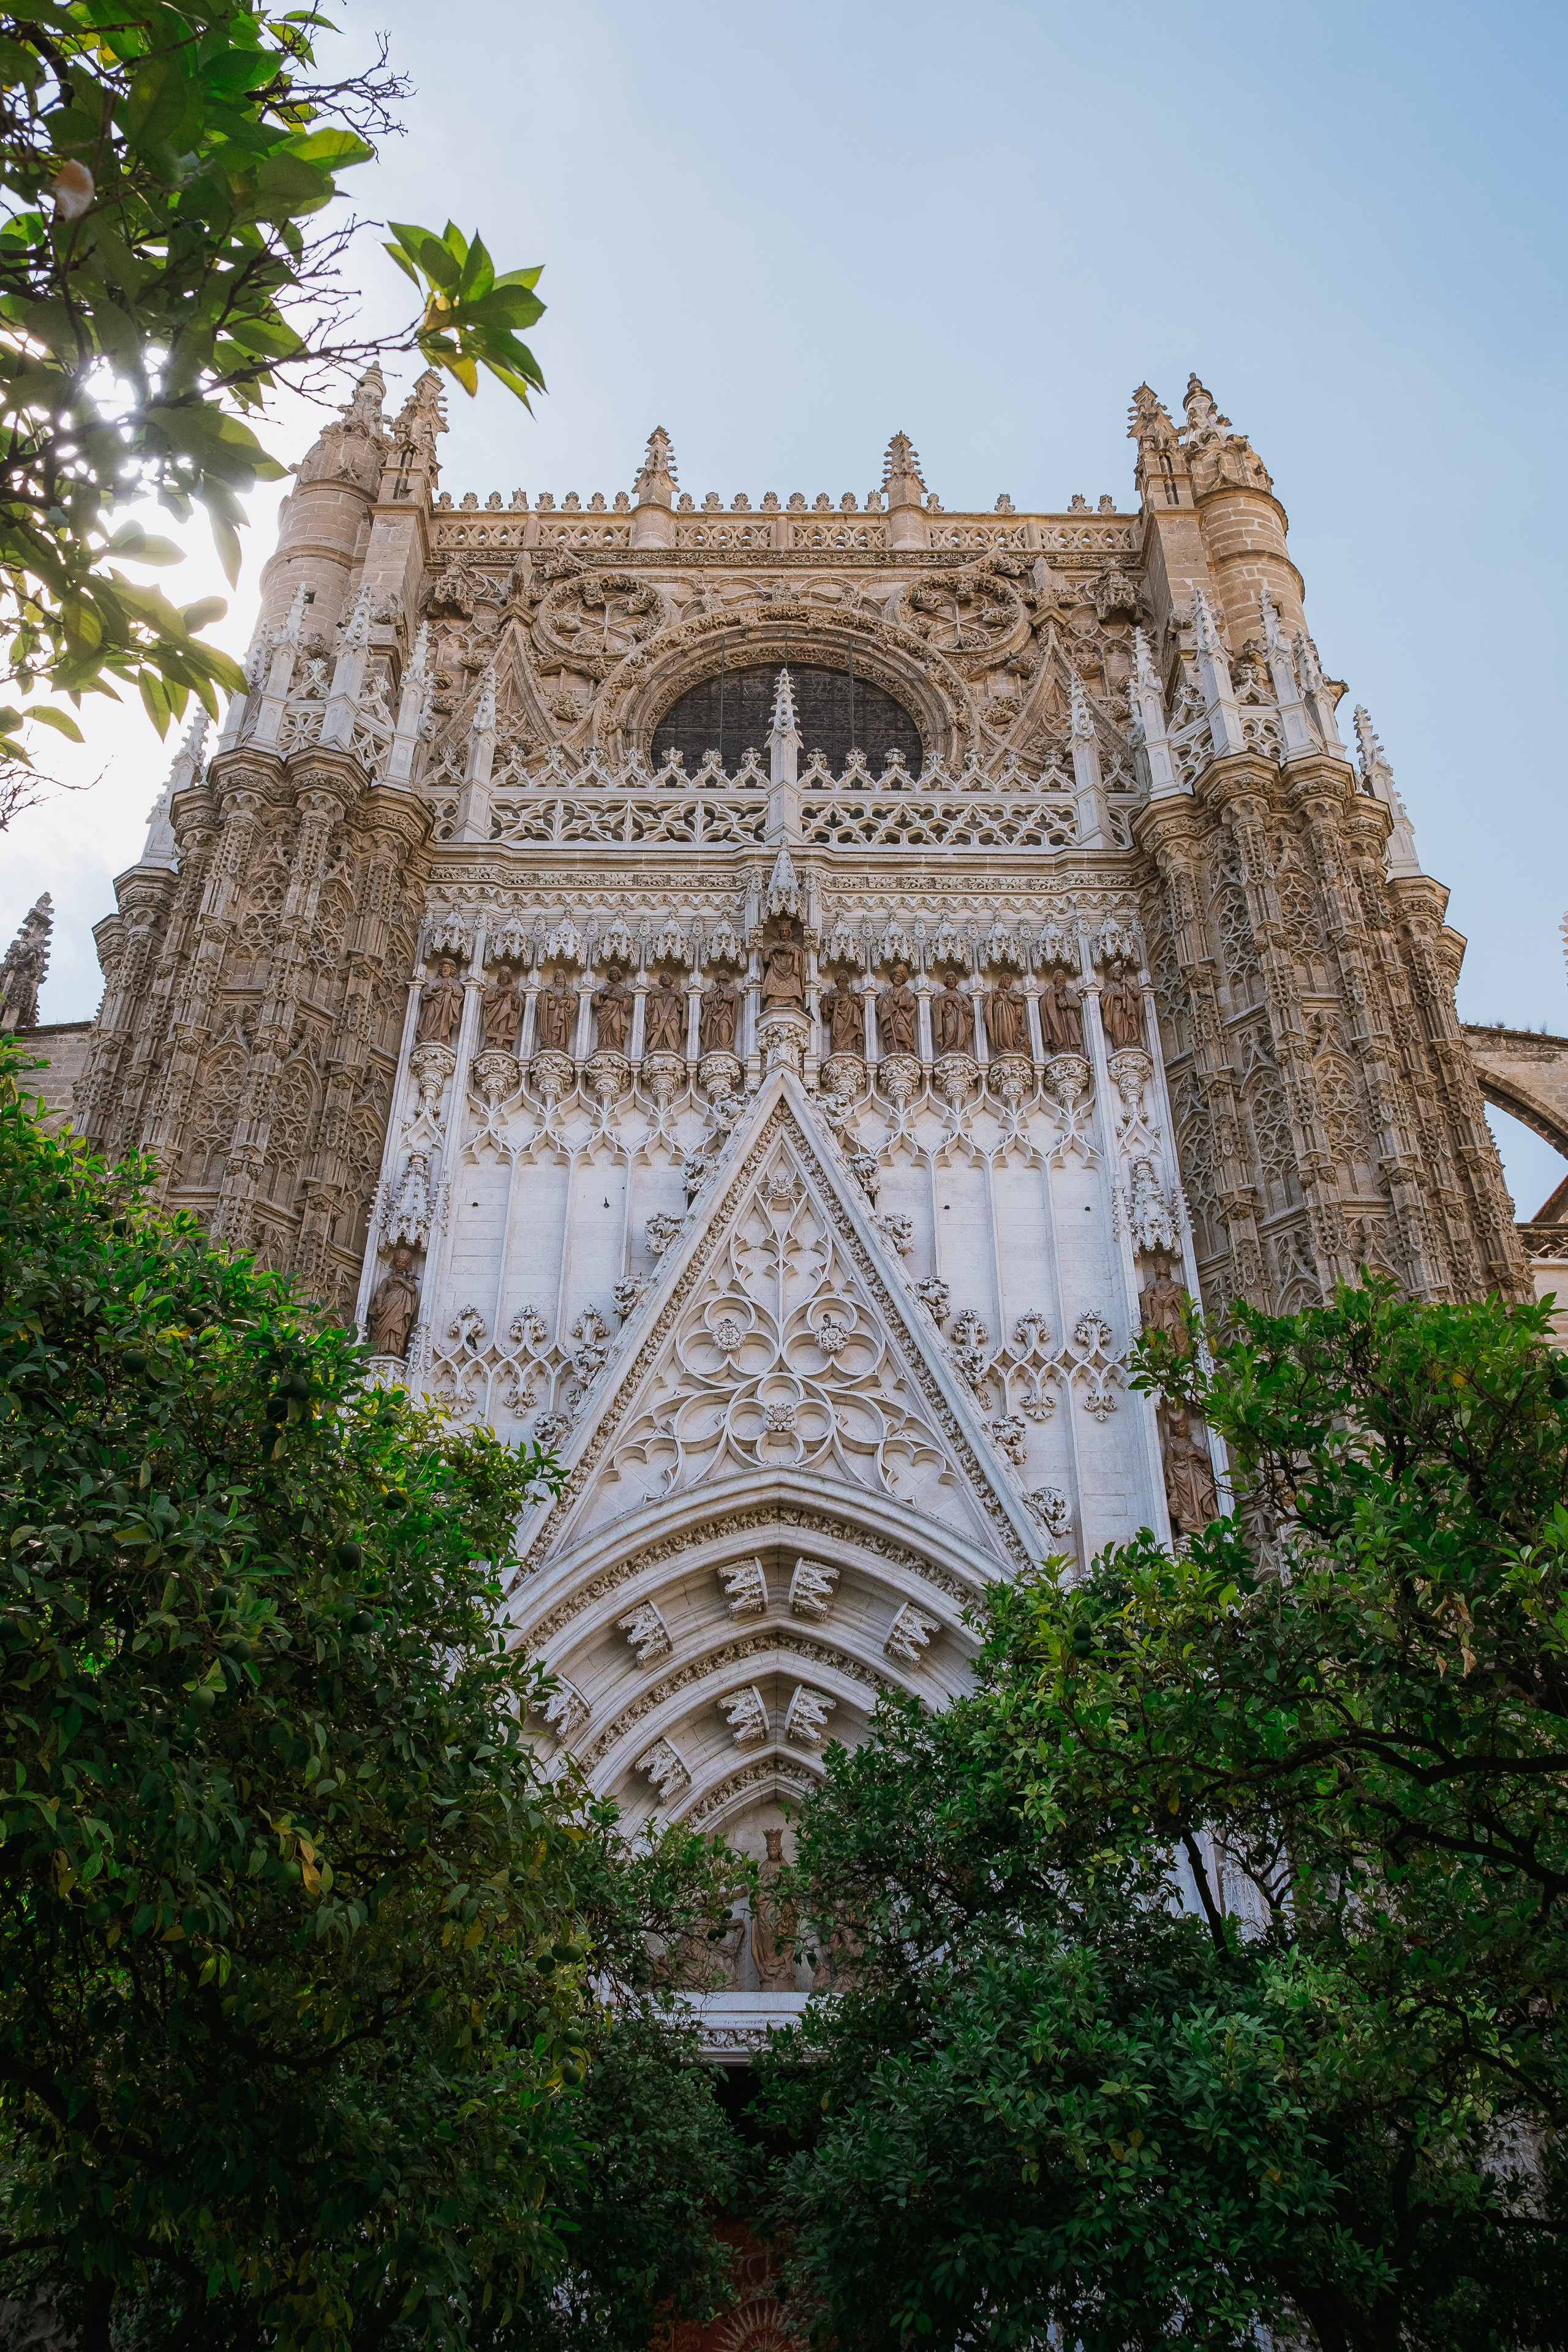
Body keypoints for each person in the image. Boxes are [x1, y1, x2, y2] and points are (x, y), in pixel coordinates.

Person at [1163, 1406, 1218, 1536]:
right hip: (1181, 1478)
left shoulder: (1191, 1445)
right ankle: (1189, 1524)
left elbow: (1205, 1458)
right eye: (1177, 1427)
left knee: (1201, 1496)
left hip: (1195, 1475)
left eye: (1182, 1426)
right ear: (1173, 1429)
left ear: (1185, 1426)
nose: (1180, 1429)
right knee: (1185, 1504)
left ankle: (1203, 1522)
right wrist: (1171, 1478)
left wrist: (1195, 1454)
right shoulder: (1172, 1445)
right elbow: (1169, 1464)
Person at [365, 1245, 421, 1358]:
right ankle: (379, 1350)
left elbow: (413, 1290)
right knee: (383, 1329)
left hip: (400, 1309)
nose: (400, 1264)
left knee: (397, 1328)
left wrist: (402, 1282)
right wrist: (379, 1306)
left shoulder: (408, 1281)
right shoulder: (387, 1280)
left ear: (407, 1265)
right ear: (395, 1262)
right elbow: (380, 1293)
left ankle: (394, 1351)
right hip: (386, 1308)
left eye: (403, 1262)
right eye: (398, 1262)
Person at [416, 957, 464, 1047]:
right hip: (434, 1004)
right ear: (441, 970)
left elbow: (460, 993)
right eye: (444, 967)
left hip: (446, 1006)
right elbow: (425, 993)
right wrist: (434, 989)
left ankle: (442, 1038)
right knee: (430, 1017)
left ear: (451, 970)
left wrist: (451, 989)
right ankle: (428, 1036)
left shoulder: (454, 982)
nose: (445, 969)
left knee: (444, 1020)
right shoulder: (435, 981)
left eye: (448, 968)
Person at [761, 916, 805, 1009]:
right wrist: (774, 949)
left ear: (789, 933)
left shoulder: (794, 946)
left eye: (786, 931)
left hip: (791, 970)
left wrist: (793, 952)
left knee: (794, 980)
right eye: (782, 931)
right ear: (779, 933)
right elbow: (765, 954)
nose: (784, 933)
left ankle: (793, 1001)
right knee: (771, 978)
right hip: (775, 969)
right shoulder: (774, 945)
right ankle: (773, 1000)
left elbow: (800, 954)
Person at [1101, 959, 1145, 1050]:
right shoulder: (1109, 987)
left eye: (1121, 972)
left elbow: (1137, 995)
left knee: (1131, 1025)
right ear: (1113, 974)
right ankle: (1120, 1043)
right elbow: (1103, 999)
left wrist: (1129, 985)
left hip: (1129, 1010)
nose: (1119, 973)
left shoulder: (1127, 985)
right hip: (1117, 1011)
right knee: (1117, 1025)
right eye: (1117, 971)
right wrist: (1117, 995)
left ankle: (1132, 1041)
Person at [1038, 968, 1083, 1054]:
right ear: (1055, 978)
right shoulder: (1050, 990)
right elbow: (1043, 1003)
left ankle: (1073, 1048)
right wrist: (1054, 994)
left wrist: (1067, 1003)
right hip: (1056, 1016)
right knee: (1058, 1030)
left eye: (1062, 976)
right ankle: (1060, 1047)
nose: (1061, 978)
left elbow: (1077, 1003)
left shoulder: (1069, 990)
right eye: (1059, 976)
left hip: (1069, 1014)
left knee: (1072, 1030)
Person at [877, 963, 919, 1056]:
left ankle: (906, 1048)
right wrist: (886, 999)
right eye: (897, 976)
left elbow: (912, 1004)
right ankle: (893, 1047)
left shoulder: (906, 991)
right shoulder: (888, 991)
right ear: (893, 977)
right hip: (891, 1017)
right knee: (892, 1032)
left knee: (902, 1029)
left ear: (903, 979)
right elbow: (878, 1005)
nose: (898, 979)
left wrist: (900, 1000)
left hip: (902, 1017)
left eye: (900, 977)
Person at [535, 969, 579, 1054]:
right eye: (557, 974)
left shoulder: (569, 990)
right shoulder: (550, 988)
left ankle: (560, 1046)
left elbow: (574, 1002)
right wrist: (547, 997)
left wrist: (567, 1001)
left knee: (561, 1029)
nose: (559, 976)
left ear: (564, 977)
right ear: (555, 978)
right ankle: (549, 1044)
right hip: (550, 1013)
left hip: (563, 1014)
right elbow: (539, 1000)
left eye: (561, 974)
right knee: (550, 1028)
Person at [479, 965, 522, 1053]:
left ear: (509, 977)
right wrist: (498, 995)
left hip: (507, 1014)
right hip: (495, 1012)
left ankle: (504, 1043)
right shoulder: (494, 988)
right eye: (502, 975)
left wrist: (514, 1000)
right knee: (495, 1026)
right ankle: (493, 1042)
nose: (503, 976)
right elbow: (486, 998)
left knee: (505, 1025)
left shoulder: (513, 989)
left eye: (505, 975)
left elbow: (520, 1003)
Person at [820, 969, 864, 1055]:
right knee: (838, 1029)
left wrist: (854, 999)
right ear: (837, 982)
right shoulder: (833, 992)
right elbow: (824, 1004)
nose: (842, 983)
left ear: (847, 982)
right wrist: (833, 999)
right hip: (838, 1016)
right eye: (840, 980)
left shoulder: (850, 992)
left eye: (844, 981)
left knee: (851, 1032)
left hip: (850, 1016)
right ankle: (838, 1048)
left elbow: (861, 1001)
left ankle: (850, 1047)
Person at [592, 965, 632, 1053]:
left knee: (616, 1028)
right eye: (612, 974)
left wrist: (617, 998)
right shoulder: (604, 988)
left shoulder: (623, 990)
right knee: (604, 1029)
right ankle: (603, 1045)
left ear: (619, 975)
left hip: (617, 1011)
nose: (613, 976)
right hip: (605, 1012)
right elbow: (594, 999)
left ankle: (616, 1046)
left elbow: (628, 1002)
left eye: (615, 974)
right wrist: (602, 994)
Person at [930, 971, 972, 1056]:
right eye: (949, 979)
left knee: (961, 1032)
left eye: (953, 979)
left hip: (961, 1018)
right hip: (949, 1017)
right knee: (950, 1030)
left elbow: (971, 1009)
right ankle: (949, 1047)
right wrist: (946, 1000)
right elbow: (935, 1007)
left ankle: (960, 1048)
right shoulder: (943, 994)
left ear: (956, 981)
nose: (951, 981)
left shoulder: (962, 995)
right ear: (946, 982)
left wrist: (967, 1010)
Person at [984, 978, 1028, 1056]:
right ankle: (1003, 1047)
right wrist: (995, 993)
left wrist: (1018, 1010)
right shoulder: (995, 992)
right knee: (1002, 1029)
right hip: (999, 1012)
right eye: (1007, 981)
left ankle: (1013, 1046)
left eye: (1010, 982)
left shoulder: (1012, 992)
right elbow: (988, 1001)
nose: (1008, 983)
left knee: (1011, 1029)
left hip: (1011, 1012)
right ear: (1002, 981)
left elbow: (1019, 1002)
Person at [644, 973, 687, 1053]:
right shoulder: (658, 992)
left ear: (671, 980)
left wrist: (678, 996)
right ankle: (659, 1046)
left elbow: (683, 1005)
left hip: (672, 1015)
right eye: (663, 978)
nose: (665, 979)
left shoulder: (675, 991)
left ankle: (673, 1047)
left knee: (673, 1028)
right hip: (658, 1015)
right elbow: (649, 1005)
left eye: (667, 977)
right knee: (658, 1029)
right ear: (661, 981)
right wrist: (652, 996)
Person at [699, 977, 739, 1054]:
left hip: (725, 1014)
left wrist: (722, 990)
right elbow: (706, 1000)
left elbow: (731, 997)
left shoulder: (731, 990)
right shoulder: (714, 991)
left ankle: (725, 1046)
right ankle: (715, 1046)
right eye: (720, 982)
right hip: (713, 1016)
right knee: (713, 1030)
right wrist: (717, 990)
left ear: (727, 982)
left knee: (724, 1025)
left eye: (723, 982)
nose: (721, 984)